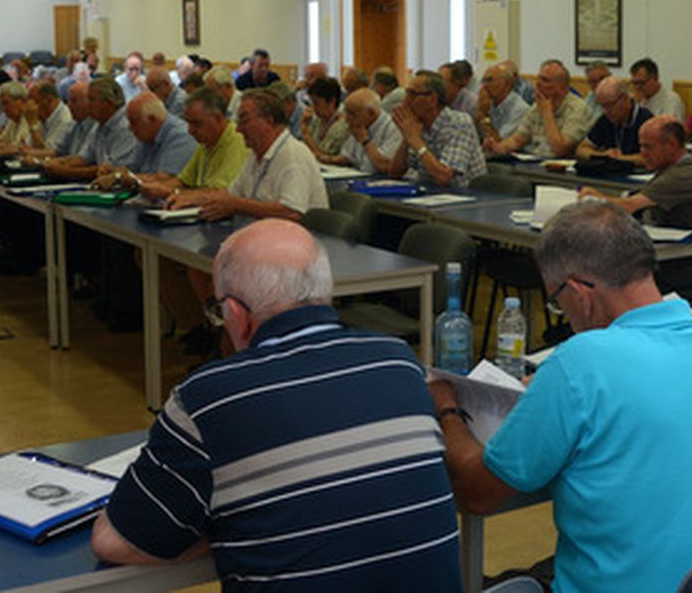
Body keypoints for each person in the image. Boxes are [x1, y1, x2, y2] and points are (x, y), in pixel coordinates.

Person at [432, 202, 692, 592]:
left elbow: (477, 493)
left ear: (580, 292)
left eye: (557, 301)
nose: (564, 314)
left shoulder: (579, 365)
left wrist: (445, 407)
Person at [92, 220, 461, 589]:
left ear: (237, 314)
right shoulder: (400, 362)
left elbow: (114, 542)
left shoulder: (207, 399)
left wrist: (229, 526)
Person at [579, 115, 692, 289]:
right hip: (689, 256)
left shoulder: (685, 174)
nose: (642, 153)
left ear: (671, 146)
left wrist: (593, 196)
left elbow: (628, 207)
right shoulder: (669, 169)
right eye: (641, 146)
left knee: (619, 277)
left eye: (648, 147)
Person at [172, 90, 327, 220]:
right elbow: (231, 194)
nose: (238, 129)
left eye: (244, 121)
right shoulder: (255, 154)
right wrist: (192, 199)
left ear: (268, 121)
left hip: (296, 247)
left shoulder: (293, 155)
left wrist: (237, 205)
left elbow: (292, 211)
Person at [133, 88, 250, 201]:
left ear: (218, 118)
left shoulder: (236, 141)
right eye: (188, 122)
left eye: (196, 123)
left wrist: (169, 191)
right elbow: (182, 181)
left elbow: (220, 193)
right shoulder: (206, 142)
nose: (190, 130)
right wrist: (153, 186)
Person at [387, 70, 485, 188]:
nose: (405, 101)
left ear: (432, 99)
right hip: (429, 195)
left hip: (466, 197)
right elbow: (394, 173)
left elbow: (443, 177)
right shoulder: (418, 125)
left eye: (412, 94)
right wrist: (406, 139)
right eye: (407, 93)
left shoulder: (459, 124)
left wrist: (414, 140)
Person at [485, 59, 594, 158]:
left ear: (562, 88)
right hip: (535, 162)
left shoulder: (577, 108)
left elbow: (560, 149)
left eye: (545, 80)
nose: (538, 84)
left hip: (562, 171)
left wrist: (547, 113)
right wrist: (496, 147)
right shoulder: (536, 108)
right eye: (538, 79)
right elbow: (517, 140)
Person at [37, 77, 139, 181]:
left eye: (91, 100)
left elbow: (111, 170)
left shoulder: (125, 126)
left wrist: (64, 171)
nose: (88, 104)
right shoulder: (99, 124)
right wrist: (56, 163)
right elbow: (84, 157)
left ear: (108, 103)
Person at [95, 93, 195, 188]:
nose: (130, 128)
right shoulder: (146, 137)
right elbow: (132, 168)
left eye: (134, 122)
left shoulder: (181, 136)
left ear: (152, 120)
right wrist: (112, 171)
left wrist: (119, 177)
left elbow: (164, 180)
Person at [577, 76, 653, 159]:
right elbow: (581, 149)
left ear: (625, 98)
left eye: (609, 105)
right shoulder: (606, 119)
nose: (606, 111)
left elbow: (651, 157)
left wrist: (620, 159)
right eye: (602, 106)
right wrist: (602, 156)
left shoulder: (646, 120)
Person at [332, 87, 401, 174]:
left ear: (372, 113)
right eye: (346, 113)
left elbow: (384, 166)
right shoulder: (360, 125)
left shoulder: (394, 127)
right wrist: (325, 159)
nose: (347, 119)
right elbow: (346, 156)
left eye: (352, 114)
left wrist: (365, 141)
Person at [0, 81, 42, 156]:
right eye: (1, 105)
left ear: (21, 101)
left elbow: (20, 145)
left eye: (6, 103)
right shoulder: (14, 119)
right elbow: (3, 138)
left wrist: (0, 148)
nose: (4, 109)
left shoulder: (29, 117)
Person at [474, 62, 530, 143]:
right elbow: (472, 136)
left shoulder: (520, 109)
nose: (484, 85)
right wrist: (479, 114)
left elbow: (499, 142)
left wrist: (485, 117)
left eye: (490, 80)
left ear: (506, 84)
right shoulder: (489, 103)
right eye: (483, 80)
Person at [297, 76, 348, 158]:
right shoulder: (318, 120)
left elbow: (322, 155)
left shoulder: (342, 125)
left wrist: (305, 132)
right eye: (312, 102)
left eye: (317, 103)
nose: (313, 107)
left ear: (331, 101)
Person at [30, 79, 74, 152]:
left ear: (49, 100)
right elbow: (27, 146)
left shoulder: (65, 119)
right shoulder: (43, 115)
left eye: (35, 101)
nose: (31, 106)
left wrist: (33, 125)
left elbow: (45, 152)